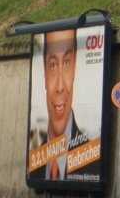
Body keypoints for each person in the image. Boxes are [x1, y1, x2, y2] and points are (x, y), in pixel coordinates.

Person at [28, 29, 100, 182]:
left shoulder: (93, 162)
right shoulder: (33, 165)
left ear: (74, 68)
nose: (60, 86)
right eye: (52, 65)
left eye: (67, 62)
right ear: (44, 73)